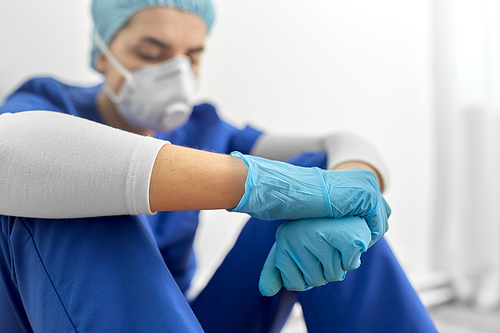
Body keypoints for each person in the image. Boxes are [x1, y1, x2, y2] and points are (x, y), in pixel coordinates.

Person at [0, 0, 437, 332]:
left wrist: (352, 206)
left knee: (321, 174)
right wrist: (253, 183)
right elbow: (9, 154)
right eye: (152, 52)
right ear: (101, 55)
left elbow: (337, 145)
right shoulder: (49, 106)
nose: (176, 73)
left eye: (191, 56)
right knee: (67, 189)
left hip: (185, 318)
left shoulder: (204, 126)